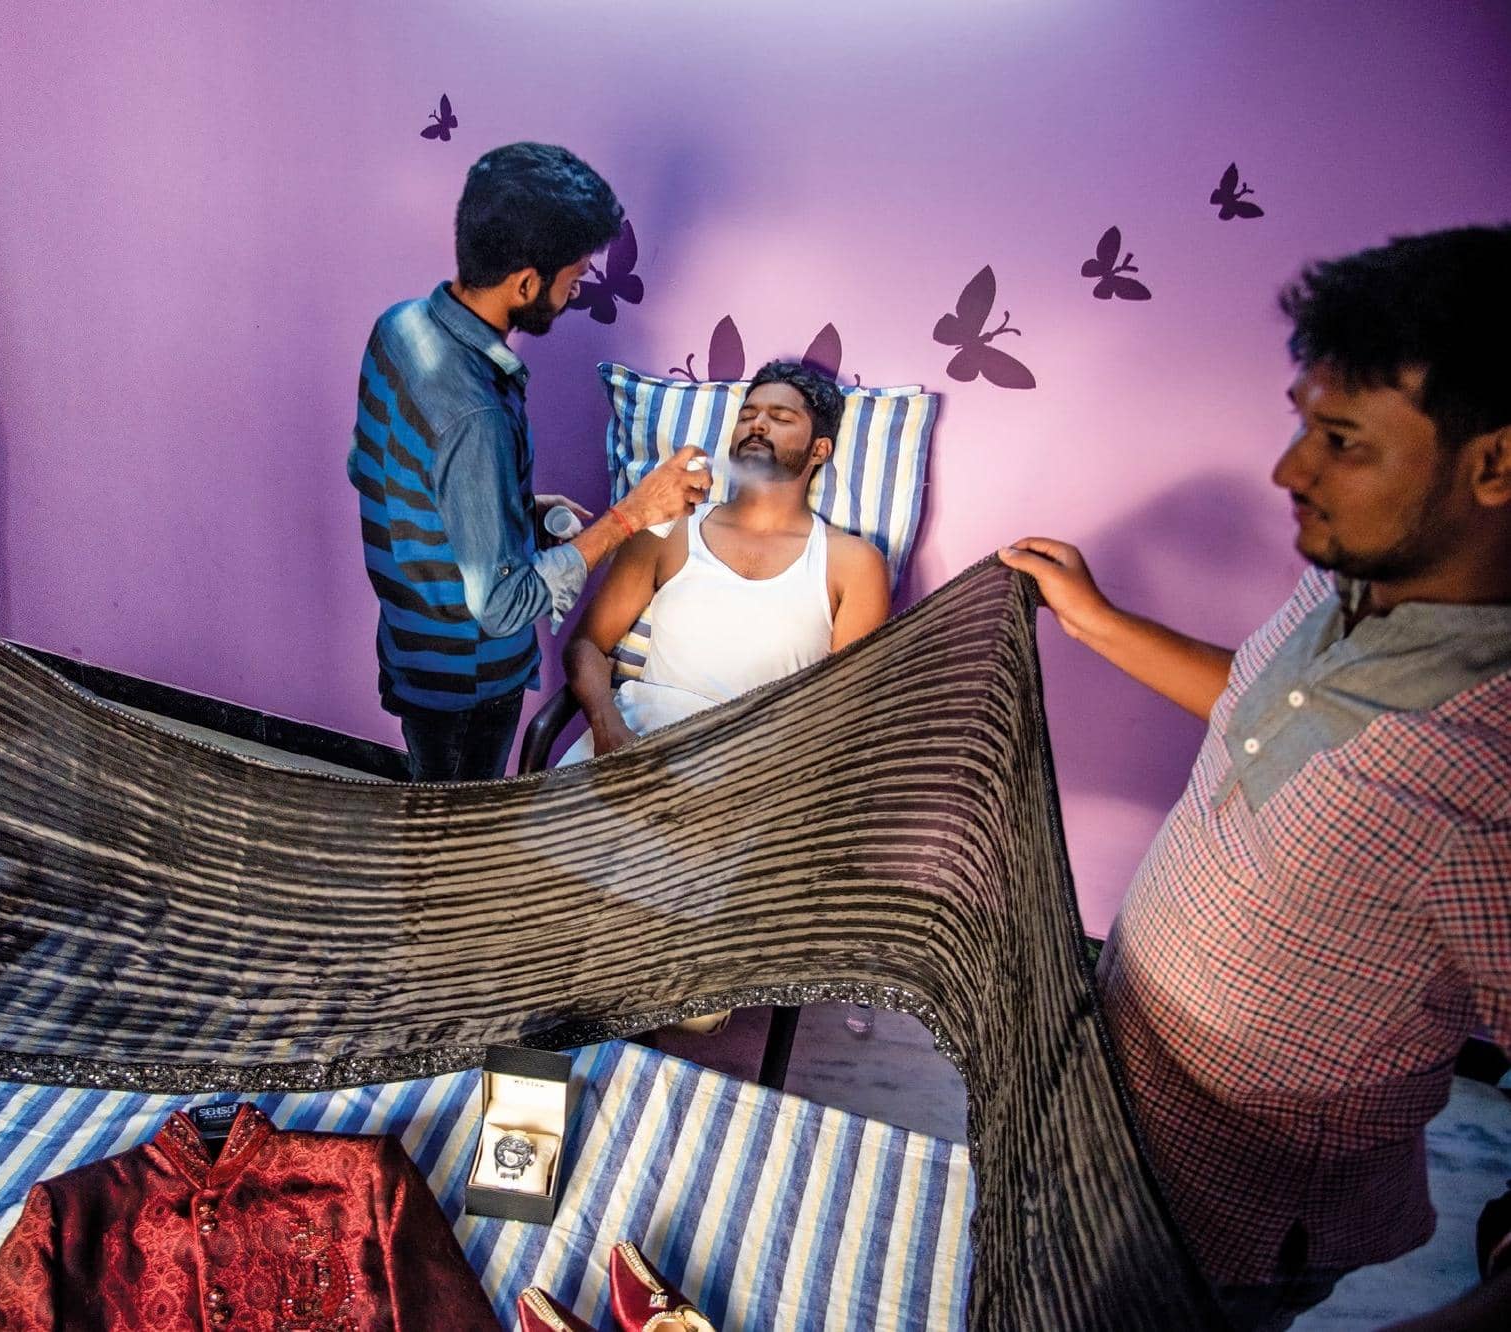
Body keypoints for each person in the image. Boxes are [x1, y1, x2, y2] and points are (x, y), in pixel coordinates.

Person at [1000, 225, 1511, 1331]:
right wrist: (1096, 621)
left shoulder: (1492, 772)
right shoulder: (1358, 586)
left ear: (1495, 465)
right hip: (1117, 1118)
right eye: (1301, 422)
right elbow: (1273, 713)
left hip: (1228, 1223)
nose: (1290, 470)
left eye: (1341, 441)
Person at [348, 142, 709, 782]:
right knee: (458, 824)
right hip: (465, 684)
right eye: (573, 277)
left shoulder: (399, 327)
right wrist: (632, 514)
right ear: (524, 284)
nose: (576, 291)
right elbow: (503, 606)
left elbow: (392, 474)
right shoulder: (477, 414)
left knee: (432, 795)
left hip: (408, 644)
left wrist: (515, 510)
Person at [561, 360, 890, 763]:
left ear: (820, 449)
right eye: (747, 416)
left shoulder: (853, 563)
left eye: (780, 418)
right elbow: (586, 644)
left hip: (757, 765)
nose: (758, 425)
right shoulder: (669, 528)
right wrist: (606, 724)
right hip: (636, 744)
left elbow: (845, 707)